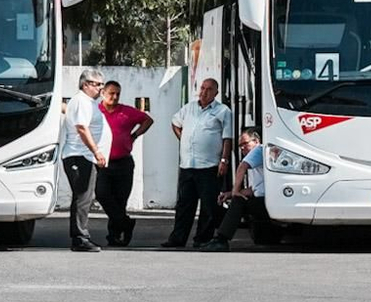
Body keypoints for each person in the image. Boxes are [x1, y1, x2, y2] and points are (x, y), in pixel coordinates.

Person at [163, 76, 232, 248]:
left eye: (209, 89)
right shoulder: (189, 107)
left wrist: (224, 159)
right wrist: (183, 139)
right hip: (188, 164)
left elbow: (227, 138)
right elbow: (175, 123)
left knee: (209, 206)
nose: (204, 92)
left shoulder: (223, 111)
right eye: (202, 88)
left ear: (216, 92)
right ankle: (177, 239)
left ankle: (203, 239)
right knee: (184, 205)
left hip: (209, 165)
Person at [97, 79, 154, 247]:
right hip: (103, 162)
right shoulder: (96, 111)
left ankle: (114, 236)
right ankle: (126, 223)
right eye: (111, 93)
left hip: (123, 162)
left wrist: (135, 135)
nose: (114, 97)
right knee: (102, 194)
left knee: (120, 201)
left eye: (117, 94)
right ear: (103, 93)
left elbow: (148, 120)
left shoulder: (126, 112)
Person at [57, 68, 108, 252]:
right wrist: (96, 152)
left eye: (102, 84)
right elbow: (82, 128)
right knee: (82, 197)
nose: (100, 88)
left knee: (85, 196)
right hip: (79, 155)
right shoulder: (81, 101)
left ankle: (81, 235)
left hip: (85, 156)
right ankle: (80, 237)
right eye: (97, 84)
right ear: (85, 84)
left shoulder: (89, 102)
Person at [201, 130, 267, 251]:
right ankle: (215, 236)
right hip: (262, 199)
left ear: (256, 141)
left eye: (245, 144)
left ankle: (221, 240)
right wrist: (230, 194)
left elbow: (242, 167)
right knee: (233, 202)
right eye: (240, 146)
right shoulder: (255, 161)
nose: (242, 148)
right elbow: (253, 190)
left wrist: (236, 191)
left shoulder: (259, 149)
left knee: (238, 202)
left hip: (268, 201)